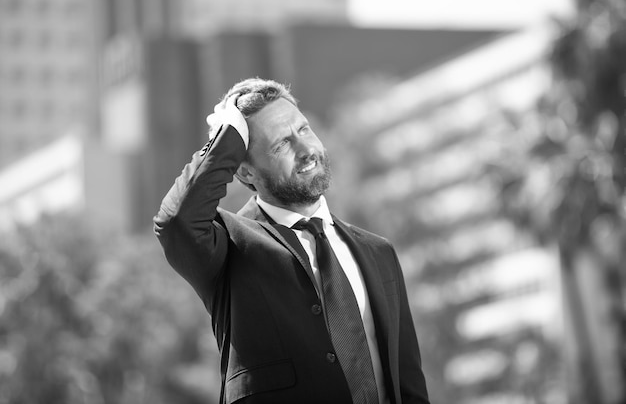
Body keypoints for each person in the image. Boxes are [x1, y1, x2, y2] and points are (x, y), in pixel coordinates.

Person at [154, 78, 430, 404]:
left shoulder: (378, 252)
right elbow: (177, 222)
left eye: (304, 129)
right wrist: (226, 138)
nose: (305, 150)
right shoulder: (228, 246)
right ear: (245, 173)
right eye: (281, 144)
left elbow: (408, 385)